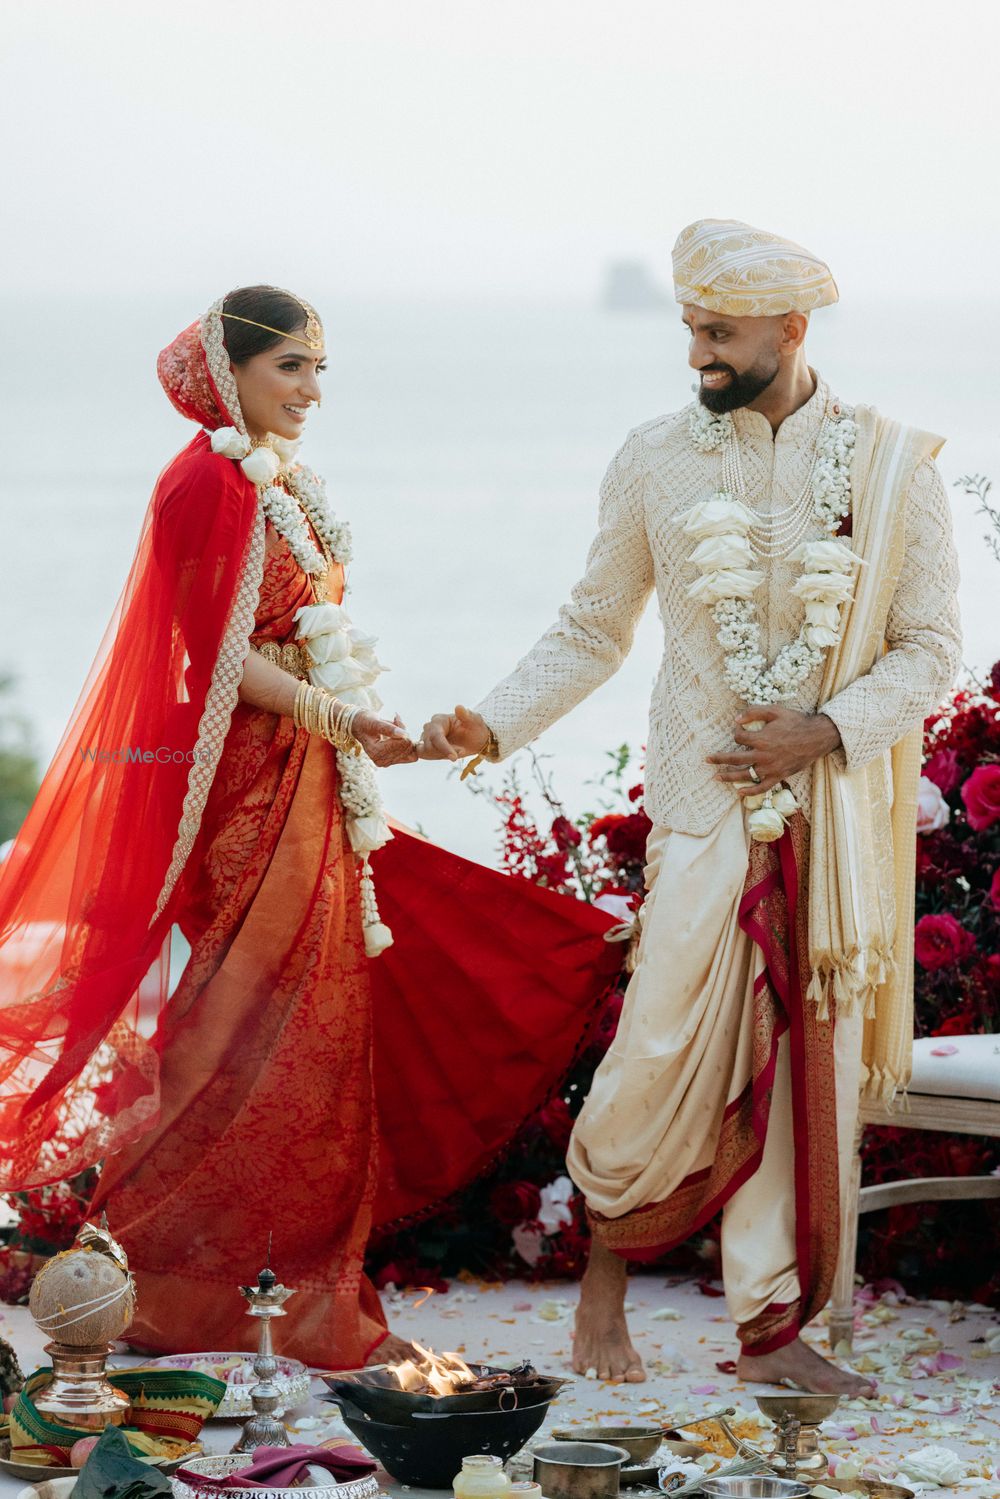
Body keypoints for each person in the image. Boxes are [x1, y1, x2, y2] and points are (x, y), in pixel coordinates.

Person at [0, 286, 621, 1368]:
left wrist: (344, 724)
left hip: (305, 770)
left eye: (320, 368)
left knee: (314, 1027)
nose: (313, 391)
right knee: (252, 1027)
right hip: (248, 785)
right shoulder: (203, 480)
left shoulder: (270, 478)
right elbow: (220, 655)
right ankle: (168, 1276)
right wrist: (337, 713)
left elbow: (295, 633)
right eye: (292, 367)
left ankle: (282, 1286)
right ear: (226, 371)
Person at [420, 220, 962, 1392]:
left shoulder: (892, 464)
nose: (696, 356)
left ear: (790, 328)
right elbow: (591, 627)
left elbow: (929, 651)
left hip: (833, 814)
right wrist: (494, 723)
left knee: (796, 1069)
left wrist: (823, 730)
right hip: (701, 804)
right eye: (688, 331)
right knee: (659, 1043)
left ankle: (771, 1329)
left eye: (717, 334)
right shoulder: (654, 457)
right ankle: (604, 1277)